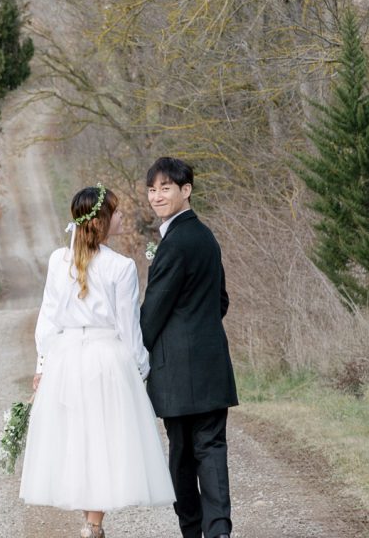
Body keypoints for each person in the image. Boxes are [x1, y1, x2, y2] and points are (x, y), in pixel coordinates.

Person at [20, 184, 176, 538]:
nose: (121, 216)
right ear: (101, 220)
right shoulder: (121, 267)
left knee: (77, 436)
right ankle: (94, 523)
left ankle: (91, 521)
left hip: (66, 357)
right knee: (104, 438)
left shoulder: (58, 261)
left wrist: (42, 365)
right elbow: (128, 327)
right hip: (106, 358)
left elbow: (48, 318)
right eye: (116, 212)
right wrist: (141, 368)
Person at [140, 157, 238, 538]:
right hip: (212, 364)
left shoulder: (174, 244)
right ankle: (219, 531)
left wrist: (139, 352)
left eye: (165, 188)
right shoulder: (206, 237)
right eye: (152, 189)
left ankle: (194, 531)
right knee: (211, 450)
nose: (157, 196)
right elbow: (221, 301)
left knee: (181, 457)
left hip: (177, 373)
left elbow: (152, 314)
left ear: (186, 190)